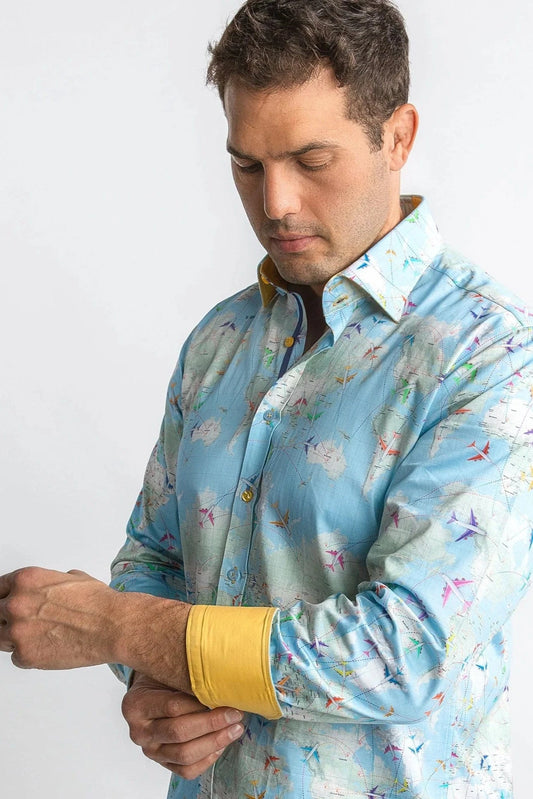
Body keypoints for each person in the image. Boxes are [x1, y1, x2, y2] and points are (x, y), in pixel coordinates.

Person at [1, 0, 532, 796]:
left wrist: (115, 626)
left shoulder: (489, 355)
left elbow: (402, 653)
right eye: (246, 164)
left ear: (397, 136)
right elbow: (154, 554)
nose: (275, 202)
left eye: (310, 160)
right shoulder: (218, 342)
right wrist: (150, 687)